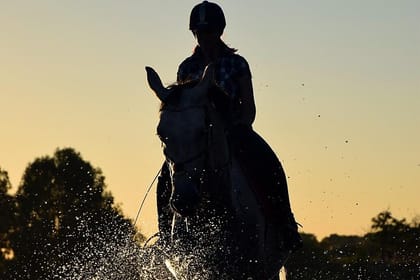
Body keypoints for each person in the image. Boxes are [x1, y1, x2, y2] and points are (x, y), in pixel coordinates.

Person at [156, 0, 302, 252]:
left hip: (235, 133)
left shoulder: (238, 64)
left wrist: (235, 127)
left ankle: (285, 224)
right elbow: (183, 109)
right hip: (199, 139)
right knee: (165, 177)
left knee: (268, 161)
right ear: (194, 33)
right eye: (200, 32)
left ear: (220, 31)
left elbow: (249, 110)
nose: (205, 37)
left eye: (209, 31)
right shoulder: (186, 67)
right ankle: (164, 238)